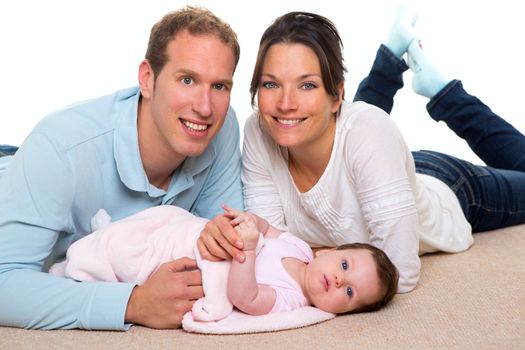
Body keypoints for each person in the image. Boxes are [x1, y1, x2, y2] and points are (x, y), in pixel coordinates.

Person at [198, 9, 525, 294]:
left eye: (307, 84)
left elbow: (400, 271)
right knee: (337, 124)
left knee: (362, 126)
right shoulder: (259, 130)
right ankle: (390, 58)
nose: (284, 103)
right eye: (271, 84)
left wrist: (316, 253)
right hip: (382, 170)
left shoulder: (368, 134)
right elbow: (270, 248)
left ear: (337, 94)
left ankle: (444, 93)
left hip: (452, 189)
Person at [0, 6, 243, 330]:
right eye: (187, 79)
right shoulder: (61, 146)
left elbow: (227, 249)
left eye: (220, 86)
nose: (204, 106)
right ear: (147, 78)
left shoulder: (221, 127)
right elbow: (5, 283)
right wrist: (134, 302)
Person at [49, 205, 398, 317]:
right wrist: (248, 221)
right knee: (166, 218)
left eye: (350, 293)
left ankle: (80, 263)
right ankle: (105, 235)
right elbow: (266, 228)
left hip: (201, 262)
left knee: (131, 257)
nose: (339, 280)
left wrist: (245, 251)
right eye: (345, 266)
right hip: (198, 234)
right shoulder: (301, 248)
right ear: (329, 252)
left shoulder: (292, 299)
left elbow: (244, 297)